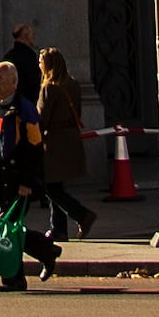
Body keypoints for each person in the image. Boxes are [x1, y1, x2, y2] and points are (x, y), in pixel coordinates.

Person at [0, 61, 52, 290]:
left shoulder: (25, 110)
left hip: (17, 178)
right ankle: (46, 251)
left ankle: (14, 278)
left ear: (14, 83)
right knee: (8, 227)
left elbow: (35, 149)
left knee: (8, 227)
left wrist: (27, 181)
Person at [32, 46, 100, 239]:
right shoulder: (73, 84)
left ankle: (82, 214)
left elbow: (42, 118)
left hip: (54, 141)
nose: (39, 66)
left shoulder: (49, 87)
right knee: (56, 184)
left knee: (48, 186)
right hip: (70, 138)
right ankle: (58, 228)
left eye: (40, 63)